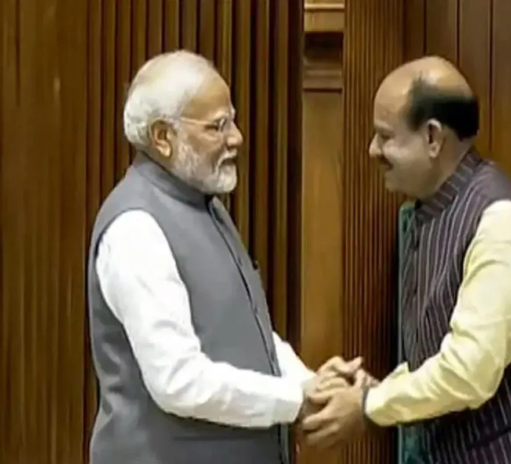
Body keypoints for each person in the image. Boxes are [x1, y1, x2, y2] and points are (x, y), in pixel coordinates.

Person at [301, 56, 511, 463]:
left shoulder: (500, 220)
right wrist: (374, 392)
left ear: (432, 137)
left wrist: (371, 405)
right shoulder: (434, 210)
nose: (372, 150)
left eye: (385, 137)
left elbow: (468, 370)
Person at [86, 50, 358, 464]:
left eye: (232, 120)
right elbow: (177, 380)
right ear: (163, 137)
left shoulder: (208, 206)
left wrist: (310, 383)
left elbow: (247, 333)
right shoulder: (136, 229)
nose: (237, 138)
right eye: (218, 126)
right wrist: (294, 398)